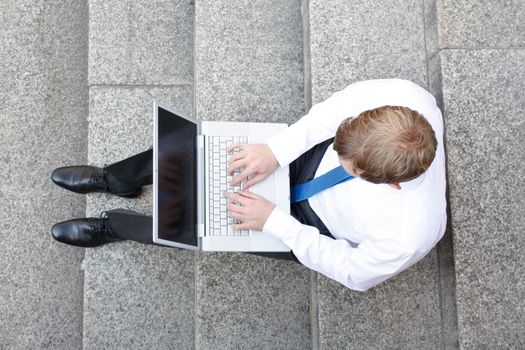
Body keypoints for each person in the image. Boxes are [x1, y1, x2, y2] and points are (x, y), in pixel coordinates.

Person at [51, 79, 446, 291]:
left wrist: (278, 223)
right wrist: (277, 151)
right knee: (195, 149)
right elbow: (329, 117)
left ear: (390, 185)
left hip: (312, 228)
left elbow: (355, 273)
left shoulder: (409, 234)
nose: (341, 160)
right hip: (305, 158)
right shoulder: (406, 97)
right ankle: (118, 178)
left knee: (198, 228)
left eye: (350, 167)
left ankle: (115, 226)